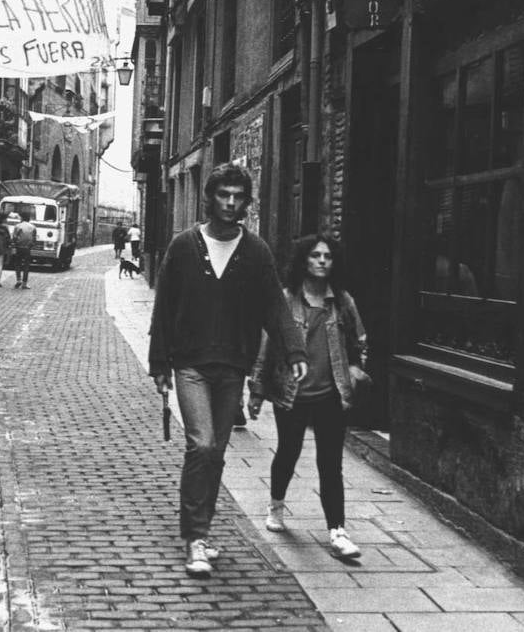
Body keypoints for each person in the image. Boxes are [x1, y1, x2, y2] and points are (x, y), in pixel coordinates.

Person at [148, 163, 307, 578]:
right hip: (190, 364)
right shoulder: (184, 246)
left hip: (231, 365)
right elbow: (165, 306)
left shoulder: (256, 252)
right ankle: (194, 539)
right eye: (224, 195)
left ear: (246, 202)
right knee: (201, 444)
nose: (231, 203)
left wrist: (294, 350)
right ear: (211, 198)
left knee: (216, 453)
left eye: (238, 197)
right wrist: (158, 362)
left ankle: (200, 530)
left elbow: (275, 306)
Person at [250, 233, 370, 561]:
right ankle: (276, 506)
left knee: (330, 463)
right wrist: (257, 391)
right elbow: (267, 346)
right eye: (315, 255)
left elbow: (359, 341)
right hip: (292, 393)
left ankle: (338, 531)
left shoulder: (343, 302)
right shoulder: (286, 299)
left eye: (327, 257)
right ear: (304, 260)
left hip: (330, 394)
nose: (321, 261)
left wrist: (357, 368)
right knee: (289, 451)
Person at [10, 212, 36, 289]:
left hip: (19, 247)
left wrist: (14, 244)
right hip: (27, 248)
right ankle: (24, 283)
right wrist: (30, 245)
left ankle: (18, 279)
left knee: (18, 264)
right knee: (26, 265)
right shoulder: (33, 227)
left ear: (22, 218)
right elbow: (34, 239)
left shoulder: (18, 226)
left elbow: (14, 237)